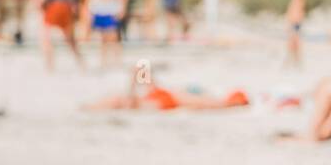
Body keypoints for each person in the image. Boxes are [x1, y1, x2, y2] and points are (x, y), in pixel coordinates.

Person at [86, 64, 248, 111]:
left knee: (201, 102)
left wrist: (132, 89)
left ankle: (89, 107)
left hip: (162, 98)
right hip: (162, 97)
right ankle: (230, 102)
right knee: (200, 102)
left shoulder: (139, 100)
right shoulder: (143, 99)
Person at [284, 0, 306, 69]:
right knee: (294, 42)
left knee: (293, 42)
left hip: (294, 23)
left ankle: (291, 62)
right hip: (295, 23)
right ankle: (295, 62)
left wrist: (291, 23)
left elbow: (297, 12)